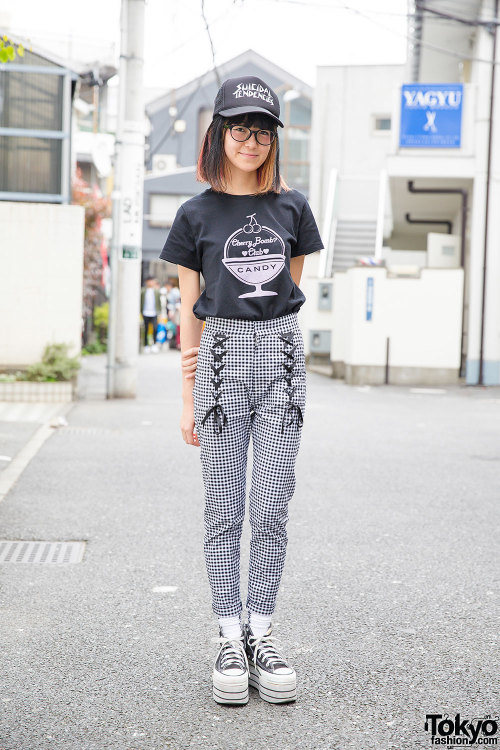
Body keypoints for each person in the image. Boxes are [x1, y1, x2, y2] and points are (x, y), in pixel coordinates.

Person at [159, 75, 323, 706]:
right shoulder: (194, 214)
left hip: (280, 364)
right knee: (225, 510)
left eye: (262, 130)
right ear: (218, 133)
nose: (250, 140)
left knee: (272, 512)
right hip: (221, 368)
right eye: (239, 128)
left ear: (273, 139)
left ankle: (262, 631)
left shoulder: (293, 208)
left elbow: (288, 295)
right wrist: (186, 394)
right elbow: (191, 312)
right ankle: (227, 634)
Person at [140, 276, 161, 353]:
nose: (150, 283)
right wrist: (141, 312)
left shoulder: (156, 291)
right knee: (146, 329)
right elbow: (141, 302)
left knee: (155, 328)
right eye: (149, 281)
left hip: (154, 312)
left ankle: (154, 344)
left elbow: (159, 302)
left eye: (151, 281)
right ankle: (146, 345)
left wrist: (160, 312)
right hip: (145, 312)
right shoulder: (143, 291)